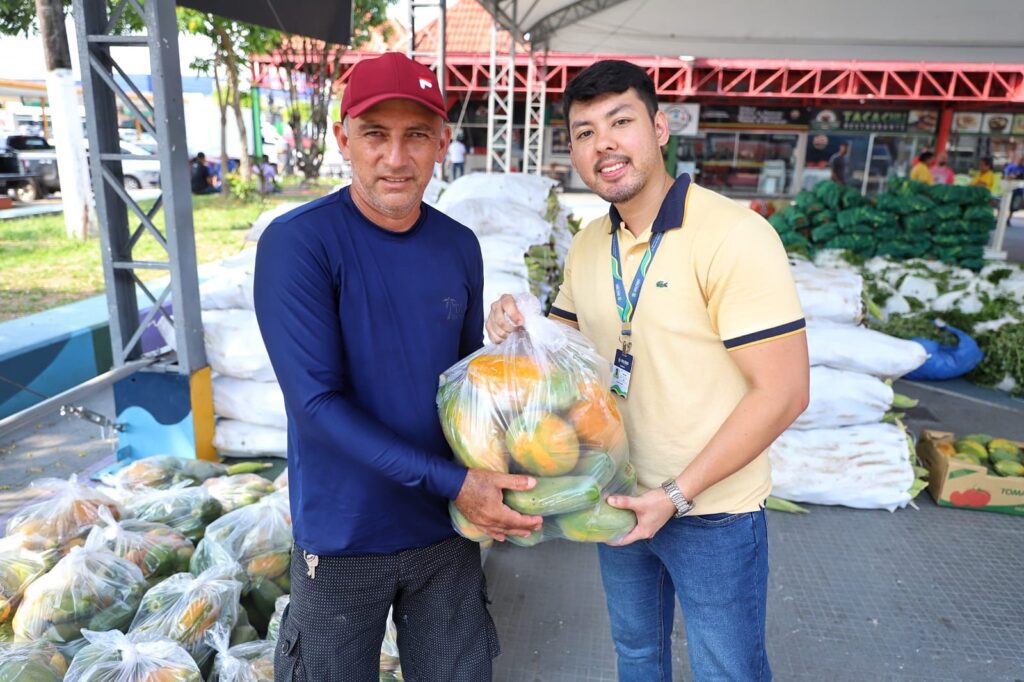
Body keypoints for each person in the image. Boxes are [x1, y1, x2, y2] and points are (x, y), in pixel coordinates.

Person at [486, 60, 809, 681]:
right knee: (636, 657)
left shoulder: (734, 236)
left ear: (659, 128)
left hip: (711, 508)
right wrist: (516, 320)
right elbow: (563, 350)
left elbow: (786, 391)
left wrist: (676, 494)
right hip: (619, 493)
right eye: (584, 132)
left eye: (620, 121)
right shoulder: (588, 244)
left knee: (728, 670)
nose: (603, 143)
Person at [253, 52, 541, 682]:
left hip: (445, 533)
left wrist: (510, 351)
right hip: (344, 535)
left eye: (416, 136)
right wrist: (454, 483)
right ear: (343, 139)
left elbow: (460, 390)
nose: (396, 157)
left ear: (443, 142)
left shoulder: (457, 244)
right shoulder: (299, 243)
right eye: (375, 134)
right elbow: (317, 404)